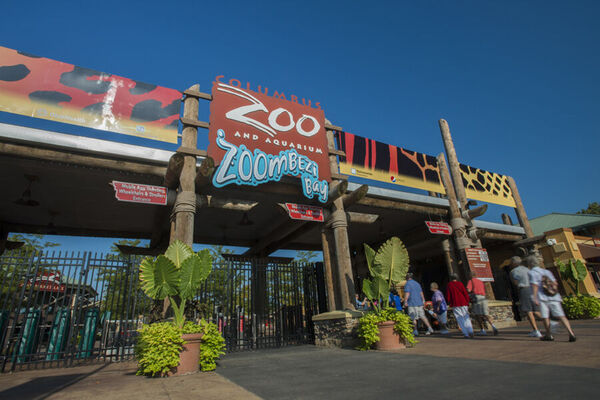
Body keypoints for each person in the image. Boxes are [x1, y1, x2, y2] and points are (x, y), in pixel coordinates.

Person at [527, 255, 576, 342]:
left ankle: (549, 335)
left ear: (530, 264)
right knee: (561, 316)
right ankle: (571, 333)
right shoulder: (547, 272)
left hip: (542, 297)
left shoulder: (532, 273)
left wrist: (534, 297)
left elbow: (534, 285)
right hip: (554, 296)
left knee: (545, 316)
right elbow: (555, 283)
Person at [509, 256, 542, 337]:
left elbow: (515, 282)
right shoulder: (527, 269)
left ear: (514, 263)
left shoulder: (513, 271)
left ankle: (536, 330)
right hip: (533, 289)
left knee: (529, 311)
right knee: (536, 311)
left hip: (524, 289)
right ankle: (550, 323)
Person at [446, 273, 474, 338]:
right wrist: (467, 301)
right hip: (463, 302)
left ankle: (466, 333)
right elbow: (465, 293)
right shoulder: (460, 284)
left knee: (460, 318)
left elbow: (448, 296)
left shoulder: (449, 285)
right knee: (466, 317)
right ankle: (470, 331)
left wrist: (449, 302)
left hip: (455, 303)